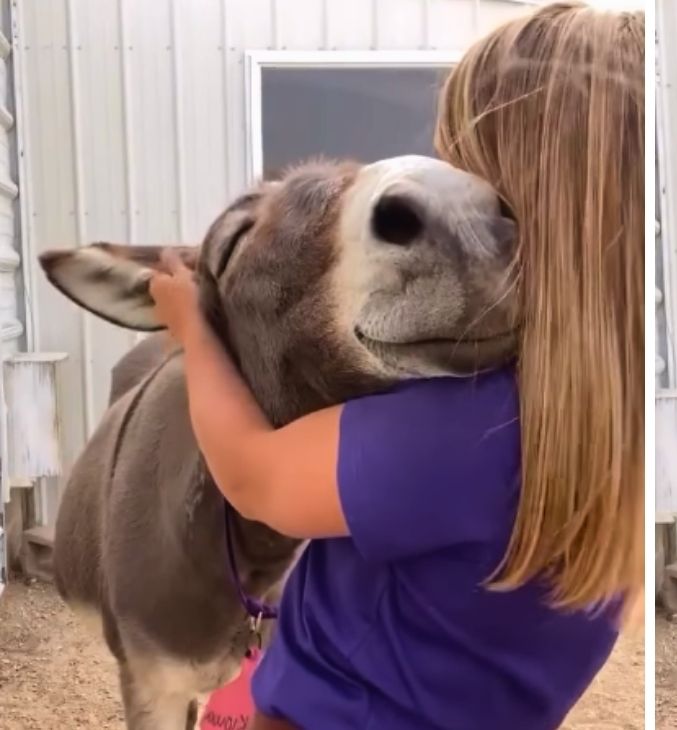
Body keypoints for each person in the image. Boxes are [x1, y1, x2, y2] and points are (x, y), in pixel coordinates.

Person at [147, 3, 644, 729]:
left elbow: (254, 476)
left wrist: (193, 328)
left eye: (471, 163)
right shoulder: (615, 437)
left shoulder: (465, 431)